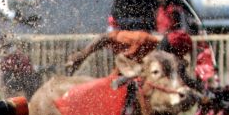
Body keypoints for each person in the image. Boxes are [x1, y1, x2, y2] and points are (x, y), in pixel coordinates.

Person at [64, 28, 193, 78]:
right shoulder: (141, 39)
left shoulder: (165, 61)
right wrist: (83, 55)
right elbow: (106, 37)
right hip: (116, 86)